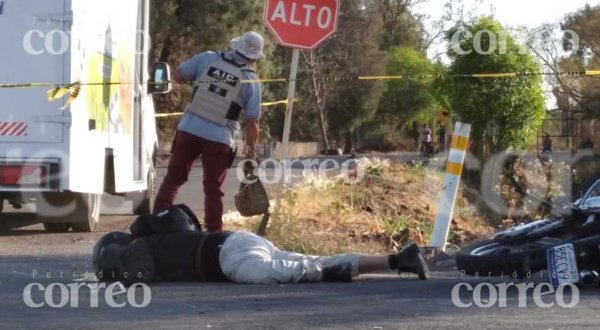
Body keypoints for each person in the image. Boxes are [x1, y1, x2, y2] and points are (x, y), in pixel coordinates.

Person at [92, 207, 428, 285]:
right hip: (240, 240)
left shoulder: (140, 246)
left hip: (231, 258)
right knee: (312, 259)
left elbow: (140, 274)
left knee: (304, 270)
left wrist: (120, 278)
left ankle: (390, 262)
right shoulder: (161, 236)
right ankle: (398, 259)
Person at [153, 31, 265, 232]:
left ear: (236, 47)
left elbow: (177, 75)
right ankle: (213, 236)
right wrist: (251, 152)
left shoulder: (208, 58)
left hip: (189, 130)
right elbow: (252, 122)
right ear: (254, 58)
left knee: (172, 180)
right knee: (213, 191)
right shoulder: (251, 80)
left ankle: (155, 226)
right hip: (219, 139)